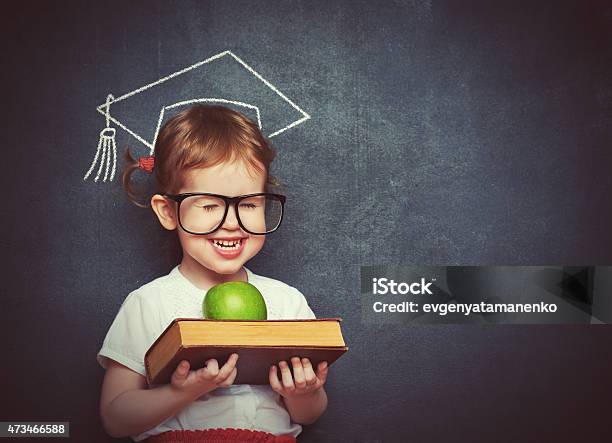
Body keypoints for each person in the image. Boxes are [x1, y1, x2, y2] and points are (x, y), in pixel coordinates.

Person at [97, 105, 329, 442]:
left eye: (249, 204)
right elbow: (116, 419)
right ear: (168, 212)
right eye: (209, 205)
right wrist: (183, 393)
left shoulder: (287, 302)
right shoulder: (147, 303)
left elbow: (308, 415)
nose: (232, 222)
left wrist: (303, 392)